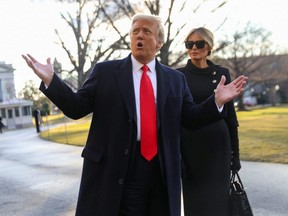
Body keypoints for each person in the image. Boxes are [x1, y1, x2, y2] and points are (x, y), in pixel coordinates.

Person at [22, 14, 247, 216]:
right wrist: (52, 81)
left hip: (161, 169)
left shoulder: (174, 79)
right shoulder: (106, 72)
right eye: (135, 31)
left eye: (146, 31)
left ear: (159, 42)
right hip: (119, 167)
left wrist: (216, 101)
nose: (139, 35)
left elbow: (190, 117)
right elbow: (76, 107)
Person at [176, 27, 242, 216]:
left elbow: (230, 117)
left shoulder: (222, 73)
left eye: (199, 43)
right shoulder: (178, 75)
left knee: (219, 203)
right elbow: (177, 117)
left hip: (218, 149)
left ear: (209, 46)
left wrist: (235, 154)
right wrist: (177, 155)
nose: (194, 48)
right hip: (191, 148)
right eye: (189, 44)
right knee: (195, 203)